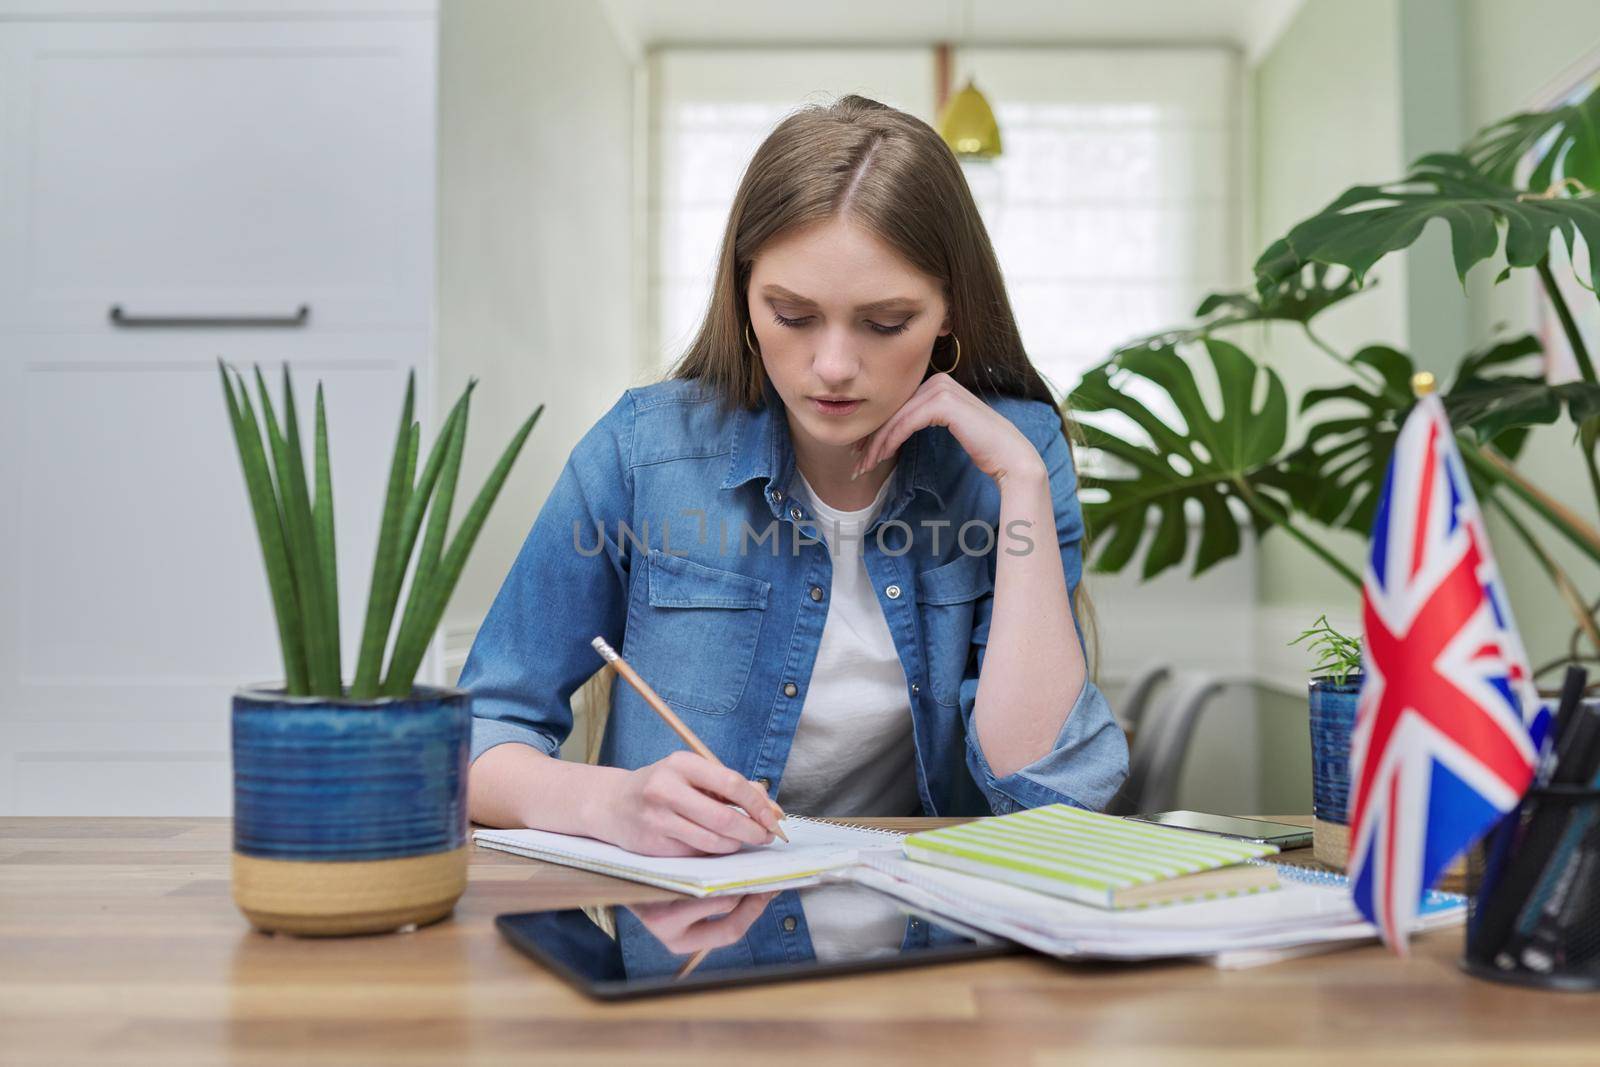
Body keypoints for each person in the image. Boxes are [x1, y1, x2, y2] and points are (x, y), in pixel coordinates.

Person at [462, 94, 1128, 865]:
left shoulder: (1019, 451)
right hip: (698, 954)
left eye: (885, 323)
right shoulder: (643, 450)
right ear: (744, 296)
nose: (835, 366)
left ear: (950, 309)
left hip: (939, 953)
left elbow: (1044, 787)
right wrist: (609, 801)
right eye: (791, 314)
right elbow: (478, 731)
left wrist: (1020, 478)